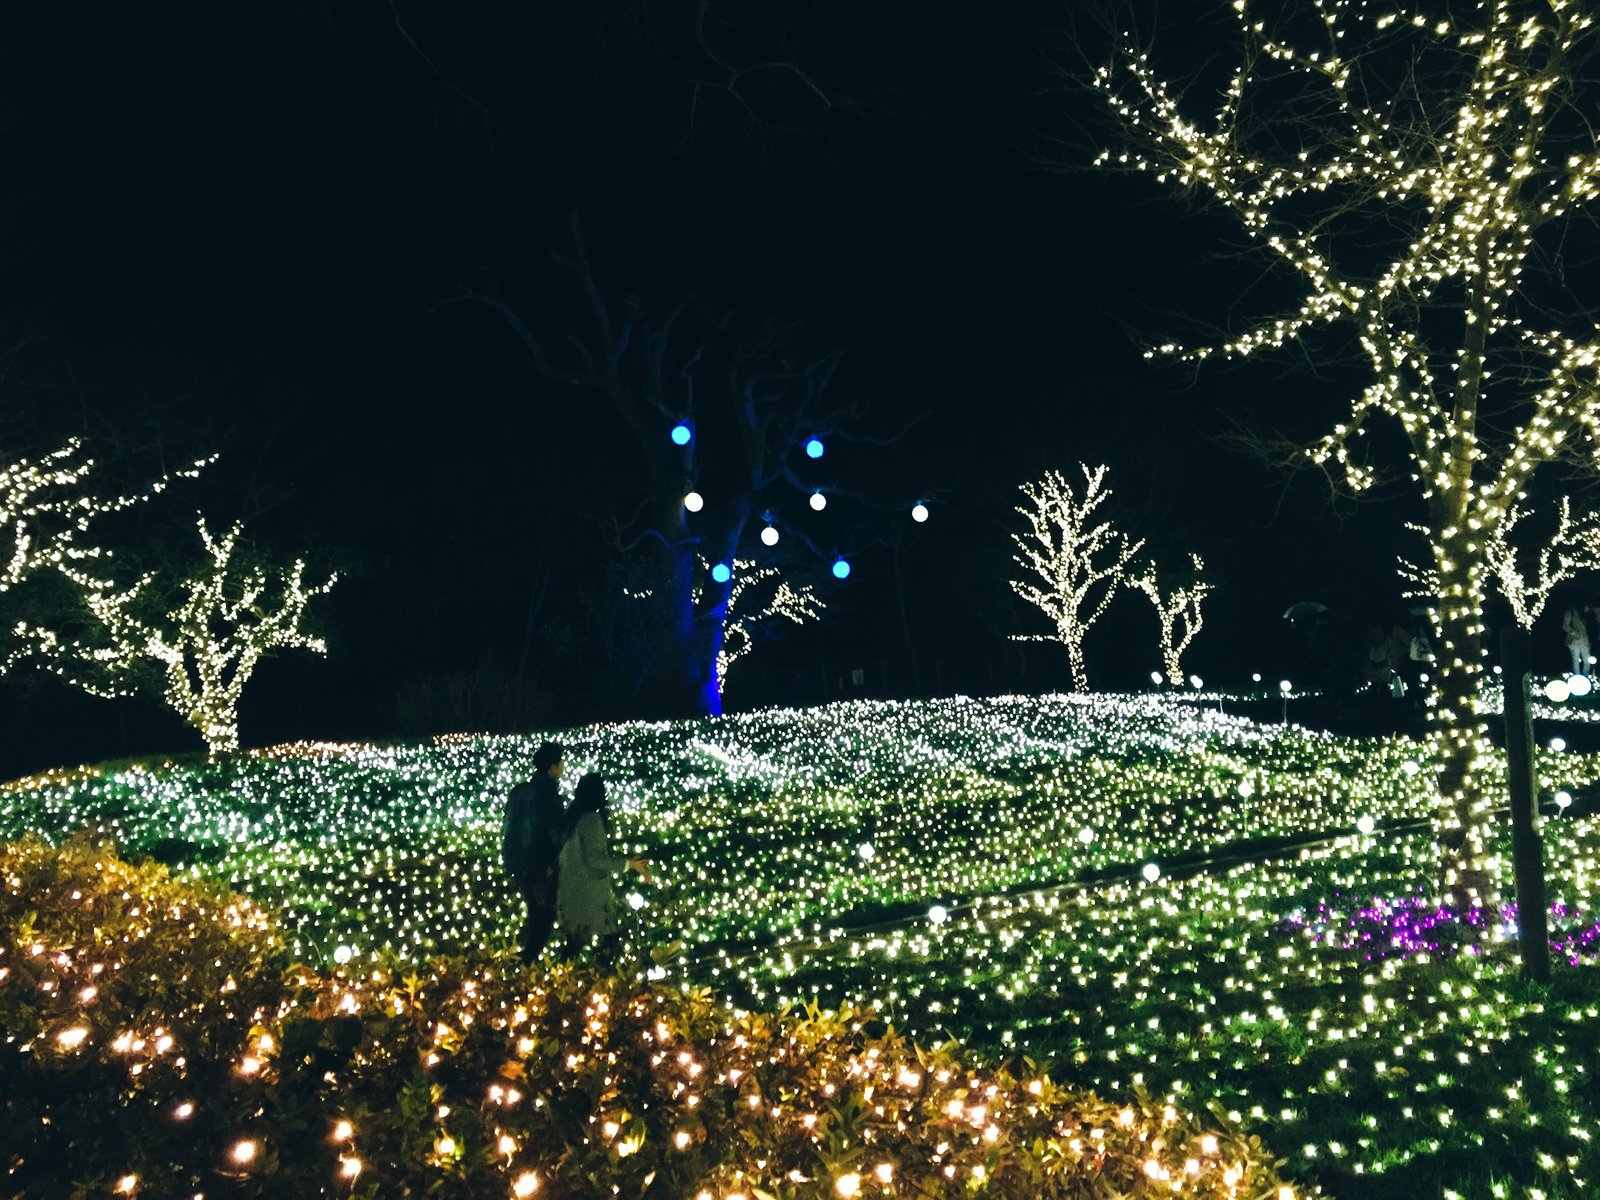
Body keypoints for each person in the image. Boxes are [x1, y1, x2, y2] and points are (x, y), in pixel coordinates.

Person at [556, 772, 652, 959]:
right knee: (606, 940)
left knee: (575, 942)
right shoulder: (591, 819)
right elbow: (595, 858)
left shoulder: (572, 815)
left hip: (571, 888)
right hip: (589, 892)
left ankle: (567, 977)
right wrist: (628, 864)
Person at [502, 740, 568, 964]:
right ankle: (527, 962)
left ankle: (525, 956)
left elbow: (508, 822)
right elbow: (556, 835)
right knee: (543, 914)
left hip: (515, 860)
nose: (563, 768)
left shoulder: (519, 791)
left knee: (534, 908)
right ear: (552, 768)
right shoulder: (549, 797)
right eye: (560, 764)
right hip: (538, 864)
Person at [1563, 607, 1591, 676]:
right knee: (1576, 662)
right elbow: (1565, 626)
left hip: (1584, 641)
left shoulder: (1582, 614)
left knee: (1587, 661)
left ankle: (1585, 677)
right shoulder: (1570, 612)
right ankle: (1577, 677)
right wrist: (1575, 634)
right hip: (1574, 641)